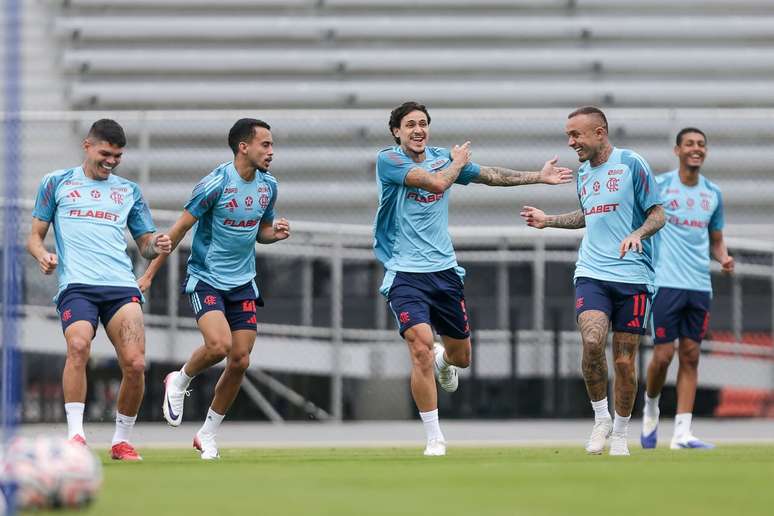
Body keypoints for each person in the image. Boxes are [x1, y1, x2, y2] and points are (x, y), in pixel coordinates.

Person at [374, 101, 573, 456]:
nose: (418, 130)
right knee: (419, 347)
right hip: (405, 272)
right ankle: (434, 437)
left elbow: (491, 175)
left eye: (423, 123)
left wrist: (538, 176)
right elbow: (436, 184)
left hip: (444, 272)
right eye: (410, 125)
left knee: (462, 356)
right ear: (396, 132)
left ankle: (445, 362)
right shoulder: (389, 161)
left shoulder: (442, 159)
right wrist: (456, 164)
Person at [138, 118, 289, 460]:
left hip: (243, 282)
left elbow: (261, 230)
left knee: (240, 360)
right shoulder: (214, 184)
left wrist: (273, 233)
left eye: (271, 144)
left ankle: (207, 434)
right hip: (206, 278)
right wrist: (148, 275)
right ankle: (180, 378)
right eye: (265, 144)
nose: (271, 151)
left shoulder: (269, 186)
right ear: (243, 147)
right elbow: (176, 233)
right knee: (219, 345)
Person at [520, 106, 665, 456]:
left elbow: (658, 213)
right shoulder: (584, 175)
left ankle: (620, 432)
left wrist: (638, 234)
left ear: (599, 132)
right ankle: (601, 418)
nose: (571, 142)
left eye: (576, 134)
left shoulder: (632, 164)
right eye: (568, 135)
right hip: (592, 273)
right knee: (591, 341)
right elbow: (588, 216)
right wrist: (548, 220)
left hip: (633, 276)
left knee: (624, 361)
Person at [26, 119, 172, 461]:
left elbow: (145, 242)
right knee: (78, 346)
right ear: (87, 146)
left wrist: (157, 243)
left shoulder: (129, 191)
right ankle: (76, 436)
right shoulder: (56, 182)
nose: (112, 161)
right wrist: (42, 256)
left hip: (121, 286)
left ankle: (121, 440)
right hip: (77, 285)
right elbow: (34, 236)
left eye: (118, 156)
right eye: (106, 153)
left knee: (136, 364)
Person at [641, 128, 733, 450]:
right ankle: (651, 407)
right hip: (666, 282)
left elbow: (716, 240)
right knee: (664, 355)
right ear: (677, 150)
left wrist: (723, 258)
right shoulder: (661, 186)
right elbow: (642, 222)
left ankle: (682, 434)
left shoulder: (713, 193)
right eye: (690, 144)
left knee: (691, 356)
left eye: (701, 144)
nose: (696, 149)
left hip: (698, 285)